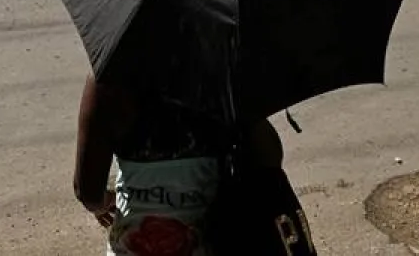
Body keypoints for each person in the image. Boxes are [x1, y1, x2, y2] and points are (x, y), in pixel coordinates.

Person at [73, 76, 316, 255]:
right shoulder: (220, 71)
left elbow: (87, 191)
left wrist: (103, 203)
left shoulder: (109, 80)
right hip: (212, 245)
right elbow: (269, 159)